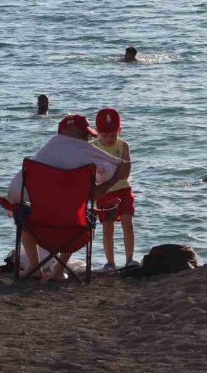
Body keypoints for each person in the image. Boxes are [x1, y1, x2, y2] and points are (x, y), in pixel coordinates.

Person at [7, 113, 131, 280]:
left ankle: (34, 267)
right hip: (73, 228)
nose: (87, 139)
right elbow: (99, 192)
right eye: (85, 135)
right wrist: (115, 178)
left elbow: (14, 192)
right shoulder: (87, 157)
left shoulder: (44, 156)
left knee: (20, 213)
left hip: (38, 225)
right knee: (84, 215)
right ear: (77, 135)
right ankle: (58, 269)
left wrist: (16, 205)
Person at [91, 107, 137, 270]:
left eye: (113, 135)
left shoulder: (123, 145)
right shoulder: (92, 147)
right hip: (105, 191)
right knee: (107, 226)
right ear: (97, 132)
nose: (109, 139)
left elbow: (126, 172)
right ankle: (110, 262)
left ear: (120, 131)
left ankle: (129, 259)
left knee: (127, 222)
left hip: (123, 189)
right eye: (104, 136)